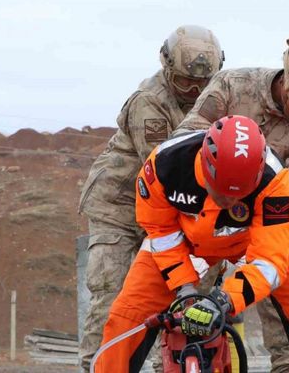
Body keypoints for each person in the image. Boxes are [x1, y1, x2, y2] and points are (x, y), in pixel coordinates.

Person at [93, 116, 289, 373]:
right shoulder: (164, 166)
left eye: (239, 193)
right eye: (222, 191)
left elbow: (270, 262)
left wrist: (223, 300)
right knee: (127, 314)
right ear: (206, 164)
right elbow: (160, 229)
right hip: (184, 241)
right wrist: (183, 287)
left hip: (252, 242)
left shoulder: (276, 182)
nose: (229, 200)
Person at [172, 36, 289, 372]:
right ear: (287, 76)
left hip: (267, 222)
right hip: (208, 216)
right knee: (189, 312)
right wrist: (225, 178)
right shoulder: (233, 86)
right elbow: (186, 140)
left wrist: (254, 186)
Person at [77, 24, 224, 372]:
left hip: (170, 208)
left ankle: (168, 366)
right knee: (111, 298)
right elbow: (162, 166)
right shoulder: (149, 101)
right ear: (167, 67)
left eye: (201, 84)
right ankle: (97, 366)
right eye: (185, 82)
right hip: (121, 208)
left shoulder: (215, 98)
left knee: (179, 296)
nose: (193, 91)